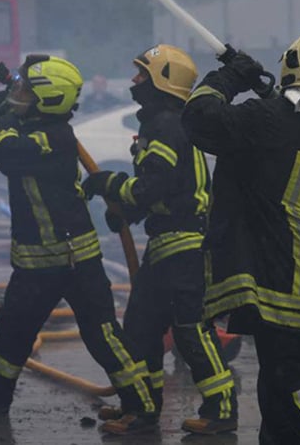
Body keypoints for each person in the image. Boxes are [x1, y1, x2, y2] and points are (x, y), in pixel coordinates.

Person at [0, 54, 157, 423]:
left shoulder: (52, 137)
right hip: (35, 262)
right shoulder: (26, 125)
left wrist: (12, 107)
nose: (19, 95)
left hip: (72, 259)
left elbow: (4, 152)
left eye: (27, 91)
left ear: (48, 101)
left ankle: (141, 407)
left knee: (101, 334)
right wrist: (13, 89)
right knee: (12, 330)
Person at [180, 29, 300, 444]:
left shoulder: (270, 120)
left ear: (293, 64)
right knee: (280, 416)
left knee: (298, 403)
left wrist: (231, 76)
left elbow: (199, 119)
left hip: (291, 293)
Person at [82, 45, 237, 435]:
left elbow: (153, 187)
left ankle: (221, 409)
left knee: (190, 328)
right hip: (171, 244)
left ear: (162, 81)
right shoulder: (167, 123)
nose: (135, 80)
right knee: (141, 326)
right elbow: (168, 189)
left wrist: (108, 184)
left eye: (142, 74)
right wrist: (128, 211)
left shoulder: (166, 125)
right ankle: (142, 408)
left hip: (184, 248)